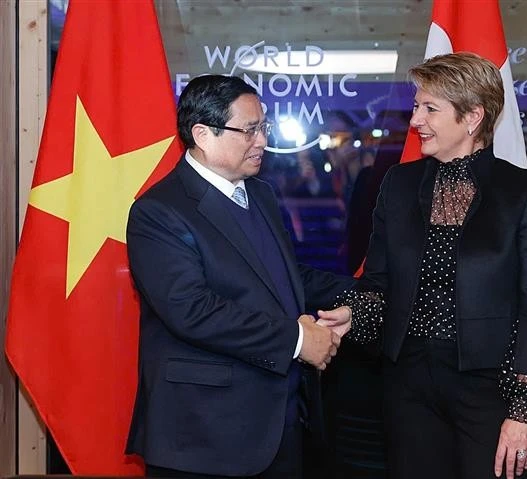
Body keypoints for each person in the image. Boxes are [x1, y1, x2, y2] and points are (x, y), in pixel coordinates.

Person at [318, 52, 527, 479]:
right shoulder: (398, 184)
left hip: (489, 389)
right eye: (416, 107)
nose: (415, 121)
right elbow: (378, 285)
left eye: (430, 108)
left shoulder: (524, 191)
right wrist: (353, 315)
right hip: (407, 383)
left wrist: (524, 411)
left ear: (472, 117)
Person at [125, 74, 355, 479]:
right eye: (250, 130)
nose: (263, 141)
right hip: (205, 436)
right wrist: (299, 340)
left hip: (280, 425)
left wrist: (364, 291)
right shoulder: (159, 211)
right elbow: (192, 310)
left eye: (263, 127)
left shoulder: (260, 193)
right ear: (203, 134)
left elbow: (283, 277)